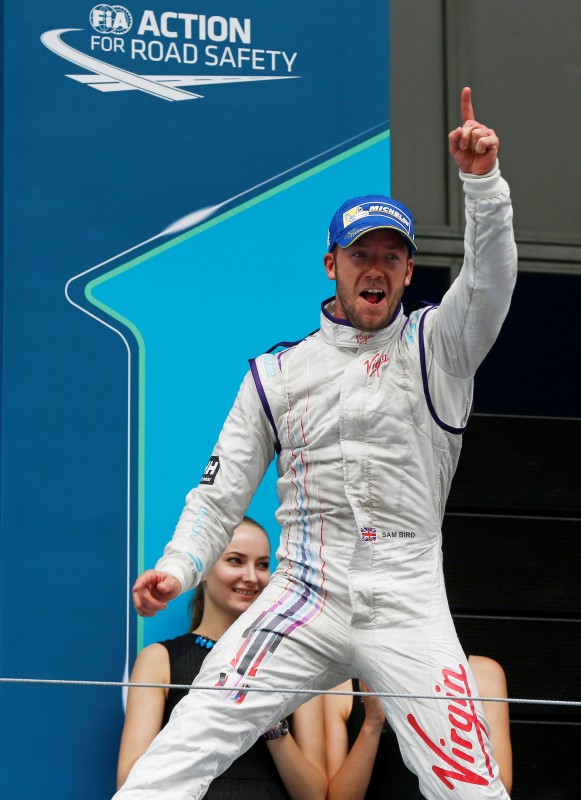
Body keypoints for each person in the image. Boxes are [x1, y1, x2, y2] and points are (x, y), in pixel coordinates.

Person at [116, 86, 518, 800]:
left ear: (406, 271)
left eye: (392, 256)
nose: (377, 267)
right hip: (302, 596)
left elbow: (489, 282)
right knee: (181, 748)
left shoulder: (439, 346)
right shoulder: (276, 374)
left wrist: (481, 185)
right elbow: (221, 492)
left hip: (407, 605)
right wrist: (178, 569)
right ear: (330, 264)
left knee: (472, 788)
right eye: (361, 253)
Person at [117, 517, 327, 799]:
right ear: (201, 570)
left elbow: (315, 793)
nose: (252, 577)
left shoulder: (295, 659)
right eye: (236, 560)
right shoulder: (160, 660)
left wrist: (271, 724)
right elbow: (129, 781)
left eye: (263, 565)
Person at [324, 656, 513, 799]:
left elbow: (499, 788)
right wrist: (372, 722)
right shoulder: (342, 684)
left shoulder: (481, 673)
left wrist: (448, 714)